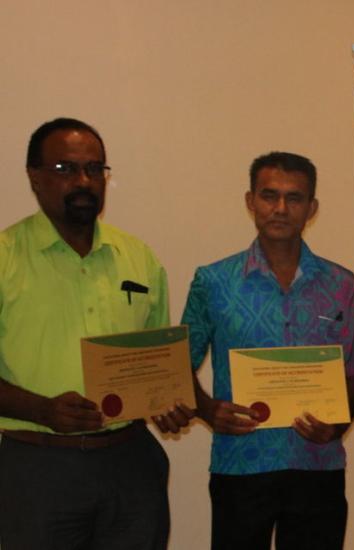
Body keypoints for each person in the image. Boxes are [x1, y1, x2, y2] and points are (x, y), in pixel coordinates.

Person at [0, 117, 181, 548]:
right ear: (34, 177)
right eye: (65, 169)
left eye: (95, 168)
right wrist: (42, 410)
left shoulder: (138, 258)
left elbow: (159, 360)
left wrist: (167, 399)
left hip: (131, 465)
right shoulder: (5, 259)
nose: (83, 180)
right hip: (37, 468)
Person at [178, 152, 354, 549]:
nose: (280, 208)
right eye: (269, 195)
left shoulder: (341, 284)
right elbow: (178, 365)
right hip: (241, 464)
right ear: (250, 201)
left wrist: (337, 427)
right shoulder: (213, 281)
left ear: (311, 208)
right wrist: (209, 410)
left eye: (294, 198)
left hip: (317, 466)